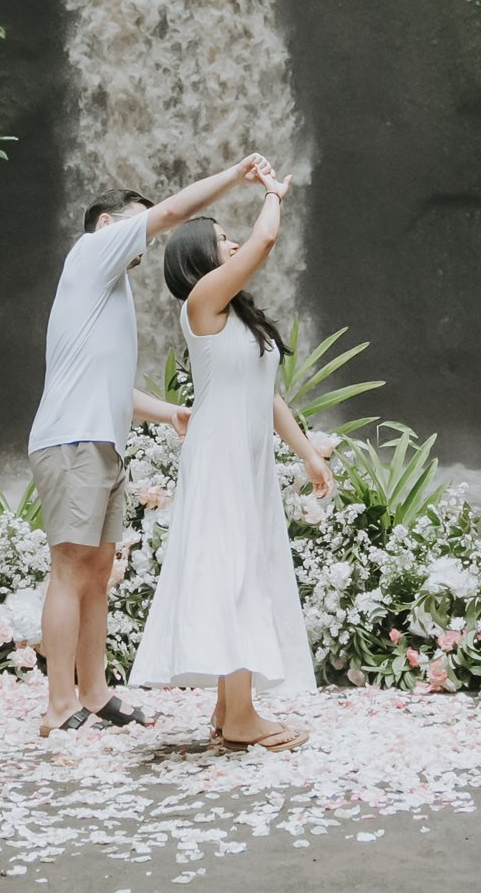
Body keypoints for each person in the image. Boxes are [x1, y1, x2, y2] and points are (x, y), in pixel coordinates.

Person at [28, 154, 278, 736]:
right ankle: (58, 705)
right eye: (140, 227)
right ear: (109, 224)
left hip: (101, 440)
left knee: (97, 571)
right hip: (71, 440)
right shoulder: (92, 254)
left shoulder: (108, 291)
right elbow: (171, 211)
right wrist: (236, 176)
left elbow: (113, 386)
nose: (150, 239)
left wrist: (169, 413)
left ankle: (94, 694)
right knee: (69, 568)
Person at [129, 164, 333, 752]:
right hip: (219, 454)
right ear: (199, 257)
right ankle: (242, 717)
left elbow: (265, 395)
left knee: (246, 566)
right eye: (222, 239)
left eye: (230, 238)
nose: (234, 243)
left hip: (247, 458)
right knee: (233, 570)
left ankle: (228, 709)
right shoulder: (202, 300)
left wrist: (308, 457)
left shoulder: (237, 315)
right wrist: (273, 192)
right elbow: (267, 240)